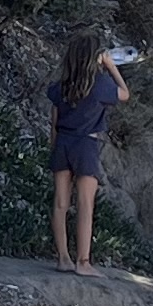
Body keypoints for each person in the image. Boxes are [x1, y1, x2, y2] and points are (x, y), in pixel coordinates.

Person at [50, 36, 129, 270]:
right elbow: (125, 94)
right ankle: (83, 261)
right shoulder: (100, 84)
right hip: (86, 144)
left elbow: (53, 121)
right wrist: (111, 67)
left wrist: (53, 148)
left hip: (63, 142)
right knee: (85, 204)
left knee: (60, 203)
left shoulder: (61, 87)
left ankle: (63, 258)